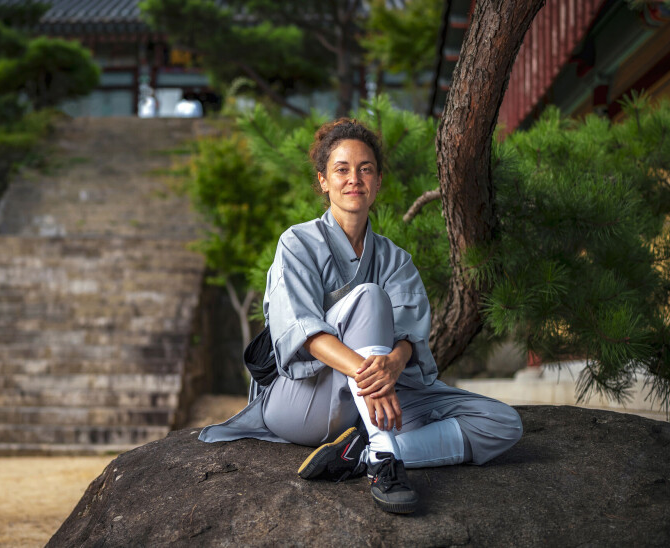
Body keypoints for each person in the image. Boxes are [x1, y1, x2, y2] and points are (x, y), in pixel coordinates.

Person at [198, 118, 522, 514]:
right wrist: (374, 380)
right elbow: (305, 335)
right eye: (342, 169)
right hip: (303, 400)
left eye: (365, 169)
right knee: (369, 297)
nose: (354, 179)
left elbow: (409, 339)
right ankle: (385, 457)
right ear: (323, 181)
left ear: (378, 181)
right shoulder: (297, 243)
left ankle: (362, 453)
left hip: (367, 400)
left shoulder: (395, 259)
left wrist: (394, 364)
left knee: (501, 423)